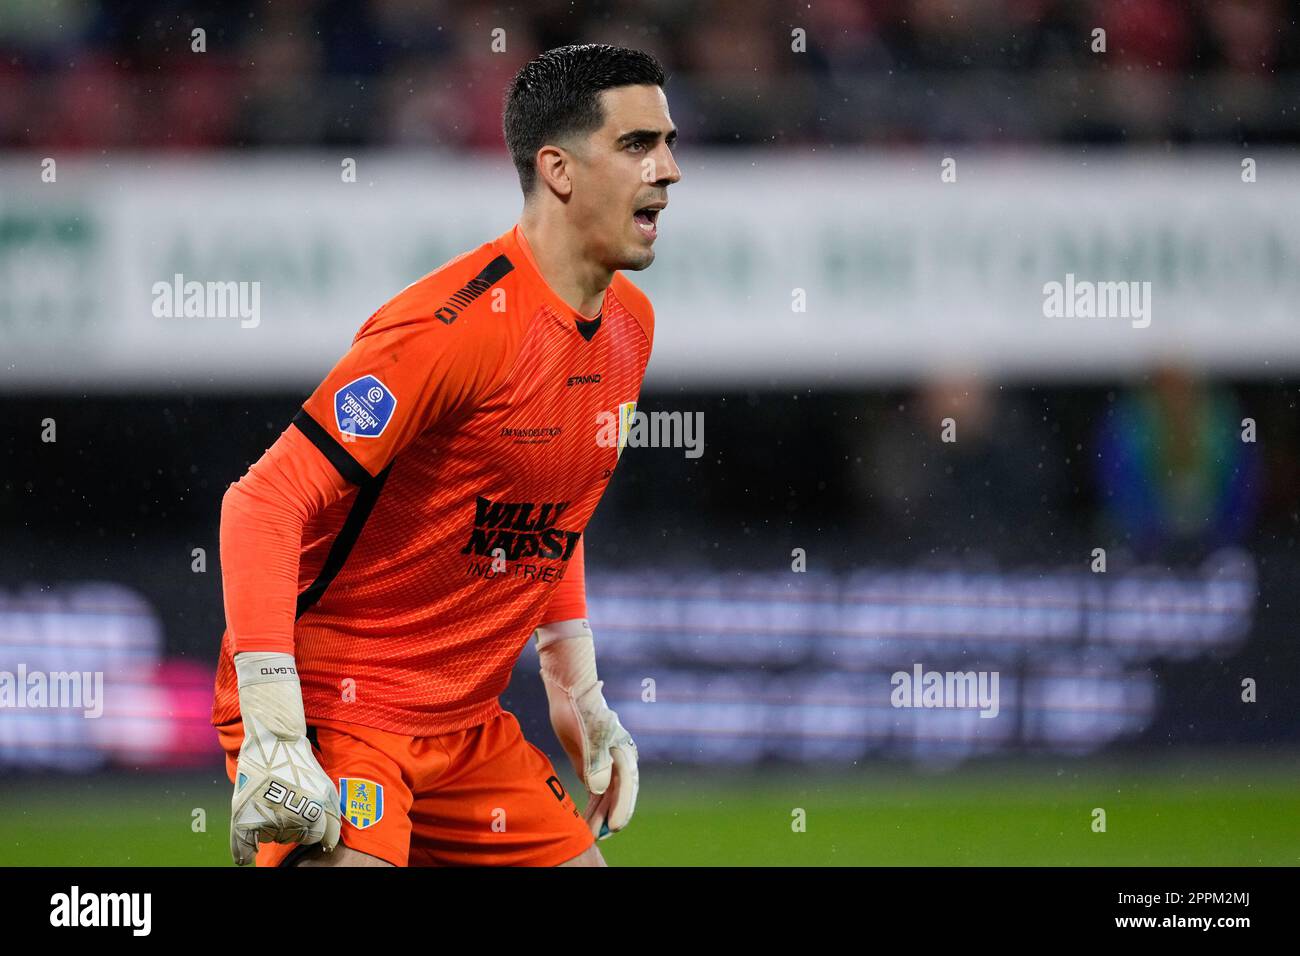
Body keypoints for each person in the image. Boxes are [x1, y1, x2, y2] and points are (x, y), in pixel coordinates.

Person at [210, 43, 681, 867]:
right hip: (339, 708)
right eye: (638, 145)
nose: (669, 170)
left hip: (466, 728)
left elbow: (547, 512)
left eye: (669, 143)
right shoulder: (451, 329)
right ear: (559, 170)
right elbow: (261, 503)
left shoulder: (631, 327)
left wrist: (576, 687)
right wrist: (275, 727)